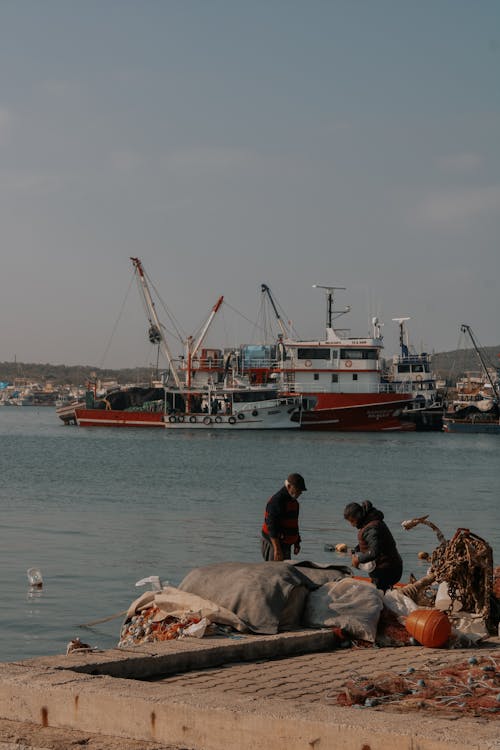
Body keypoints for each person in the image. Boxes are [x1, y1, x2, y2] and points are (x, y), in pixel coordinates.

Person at [343, 500, 402, 592]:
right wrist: (357, 549)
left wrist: (358, 560)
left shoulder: (372, 528)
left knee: (377, 599)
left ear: (358, 516)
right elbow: (374, 541)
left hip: (386, 571)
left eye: (352, 521)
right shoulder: (372, 522)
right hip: (392, 567)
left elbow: (374, 551)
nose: (352, 525)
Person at [261, 473, 307, 561]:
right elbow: (271, 526)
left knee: (286, 571)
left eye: (301, 490)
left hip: (285, 544)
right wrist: (277, 550)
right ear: (289, 486)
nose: (300, 492)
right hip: (273, 543)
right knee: (274, 571)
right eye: (298, 489)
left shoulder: (294, 503)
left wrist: (297, 542)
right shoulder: (276, 501)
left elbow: (294, 524)